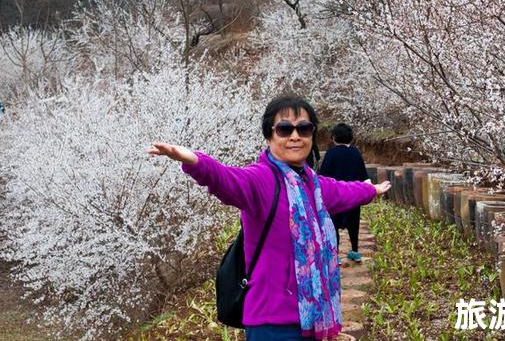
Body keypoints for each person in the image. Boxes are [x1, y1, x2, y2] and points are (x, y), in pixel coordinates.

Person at [148, 96, 391, 341]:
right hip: (272, 324)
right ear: (269, 135)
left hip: (314, 320)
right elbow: (227, 179)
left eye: (304, 129)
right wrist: (195, 161)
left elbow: (342, 190)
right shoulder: (262, 179)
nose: (295, 136)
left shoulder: (313, 186)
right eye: (285, 129)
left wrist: (370, 190)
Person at [318, 123, 369, 263]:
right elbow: (363, 174)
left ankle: (336, 255)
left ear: (334, 137)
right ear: (351, 138)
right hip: (354, 195)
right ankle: (355, 250)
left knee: (333, 225)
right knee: (354, 224)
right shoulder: (355, 152)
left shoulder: (331, 153)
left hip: (335, 196)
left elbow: (323, 175)